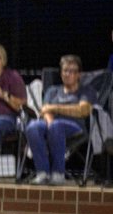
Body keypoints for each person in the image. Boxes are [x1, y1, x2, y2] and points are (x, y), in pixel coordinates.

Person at [25, 55, 95, 185]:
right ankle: (42, 173)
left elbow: (82, 110)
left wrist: (55, 108)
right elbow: (45, 111)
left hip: (76, 129)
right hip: (51, 125)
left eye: (72, 71)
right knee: (33, 126)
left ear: (79, 75)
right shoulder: (52, 91)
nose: (68, 74)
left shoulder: (86, 91)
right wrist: (51, 123)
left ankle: (58, 174)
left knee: (56, 126)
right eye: (65, 70)